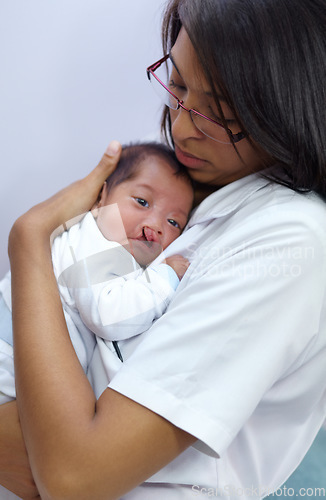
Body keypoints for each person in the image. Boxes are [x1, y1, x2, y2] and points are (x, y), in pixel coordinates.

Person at [1, 0, 326, 499]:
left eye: (216, 112)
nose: (183, 124)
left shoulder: (290, 240)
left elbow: (71, 478)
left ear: (287, 108)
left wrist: (29, 241)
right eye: (176, 85)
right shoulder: (192, 188)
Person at [0, 141, 193, 403]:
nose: (156, 224)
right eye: (142, 201)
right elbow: (109, 315)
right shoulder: (96, 242)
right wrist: (165, 278)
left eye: (173, 222)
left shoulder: (113, 247)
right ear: (100, 198)